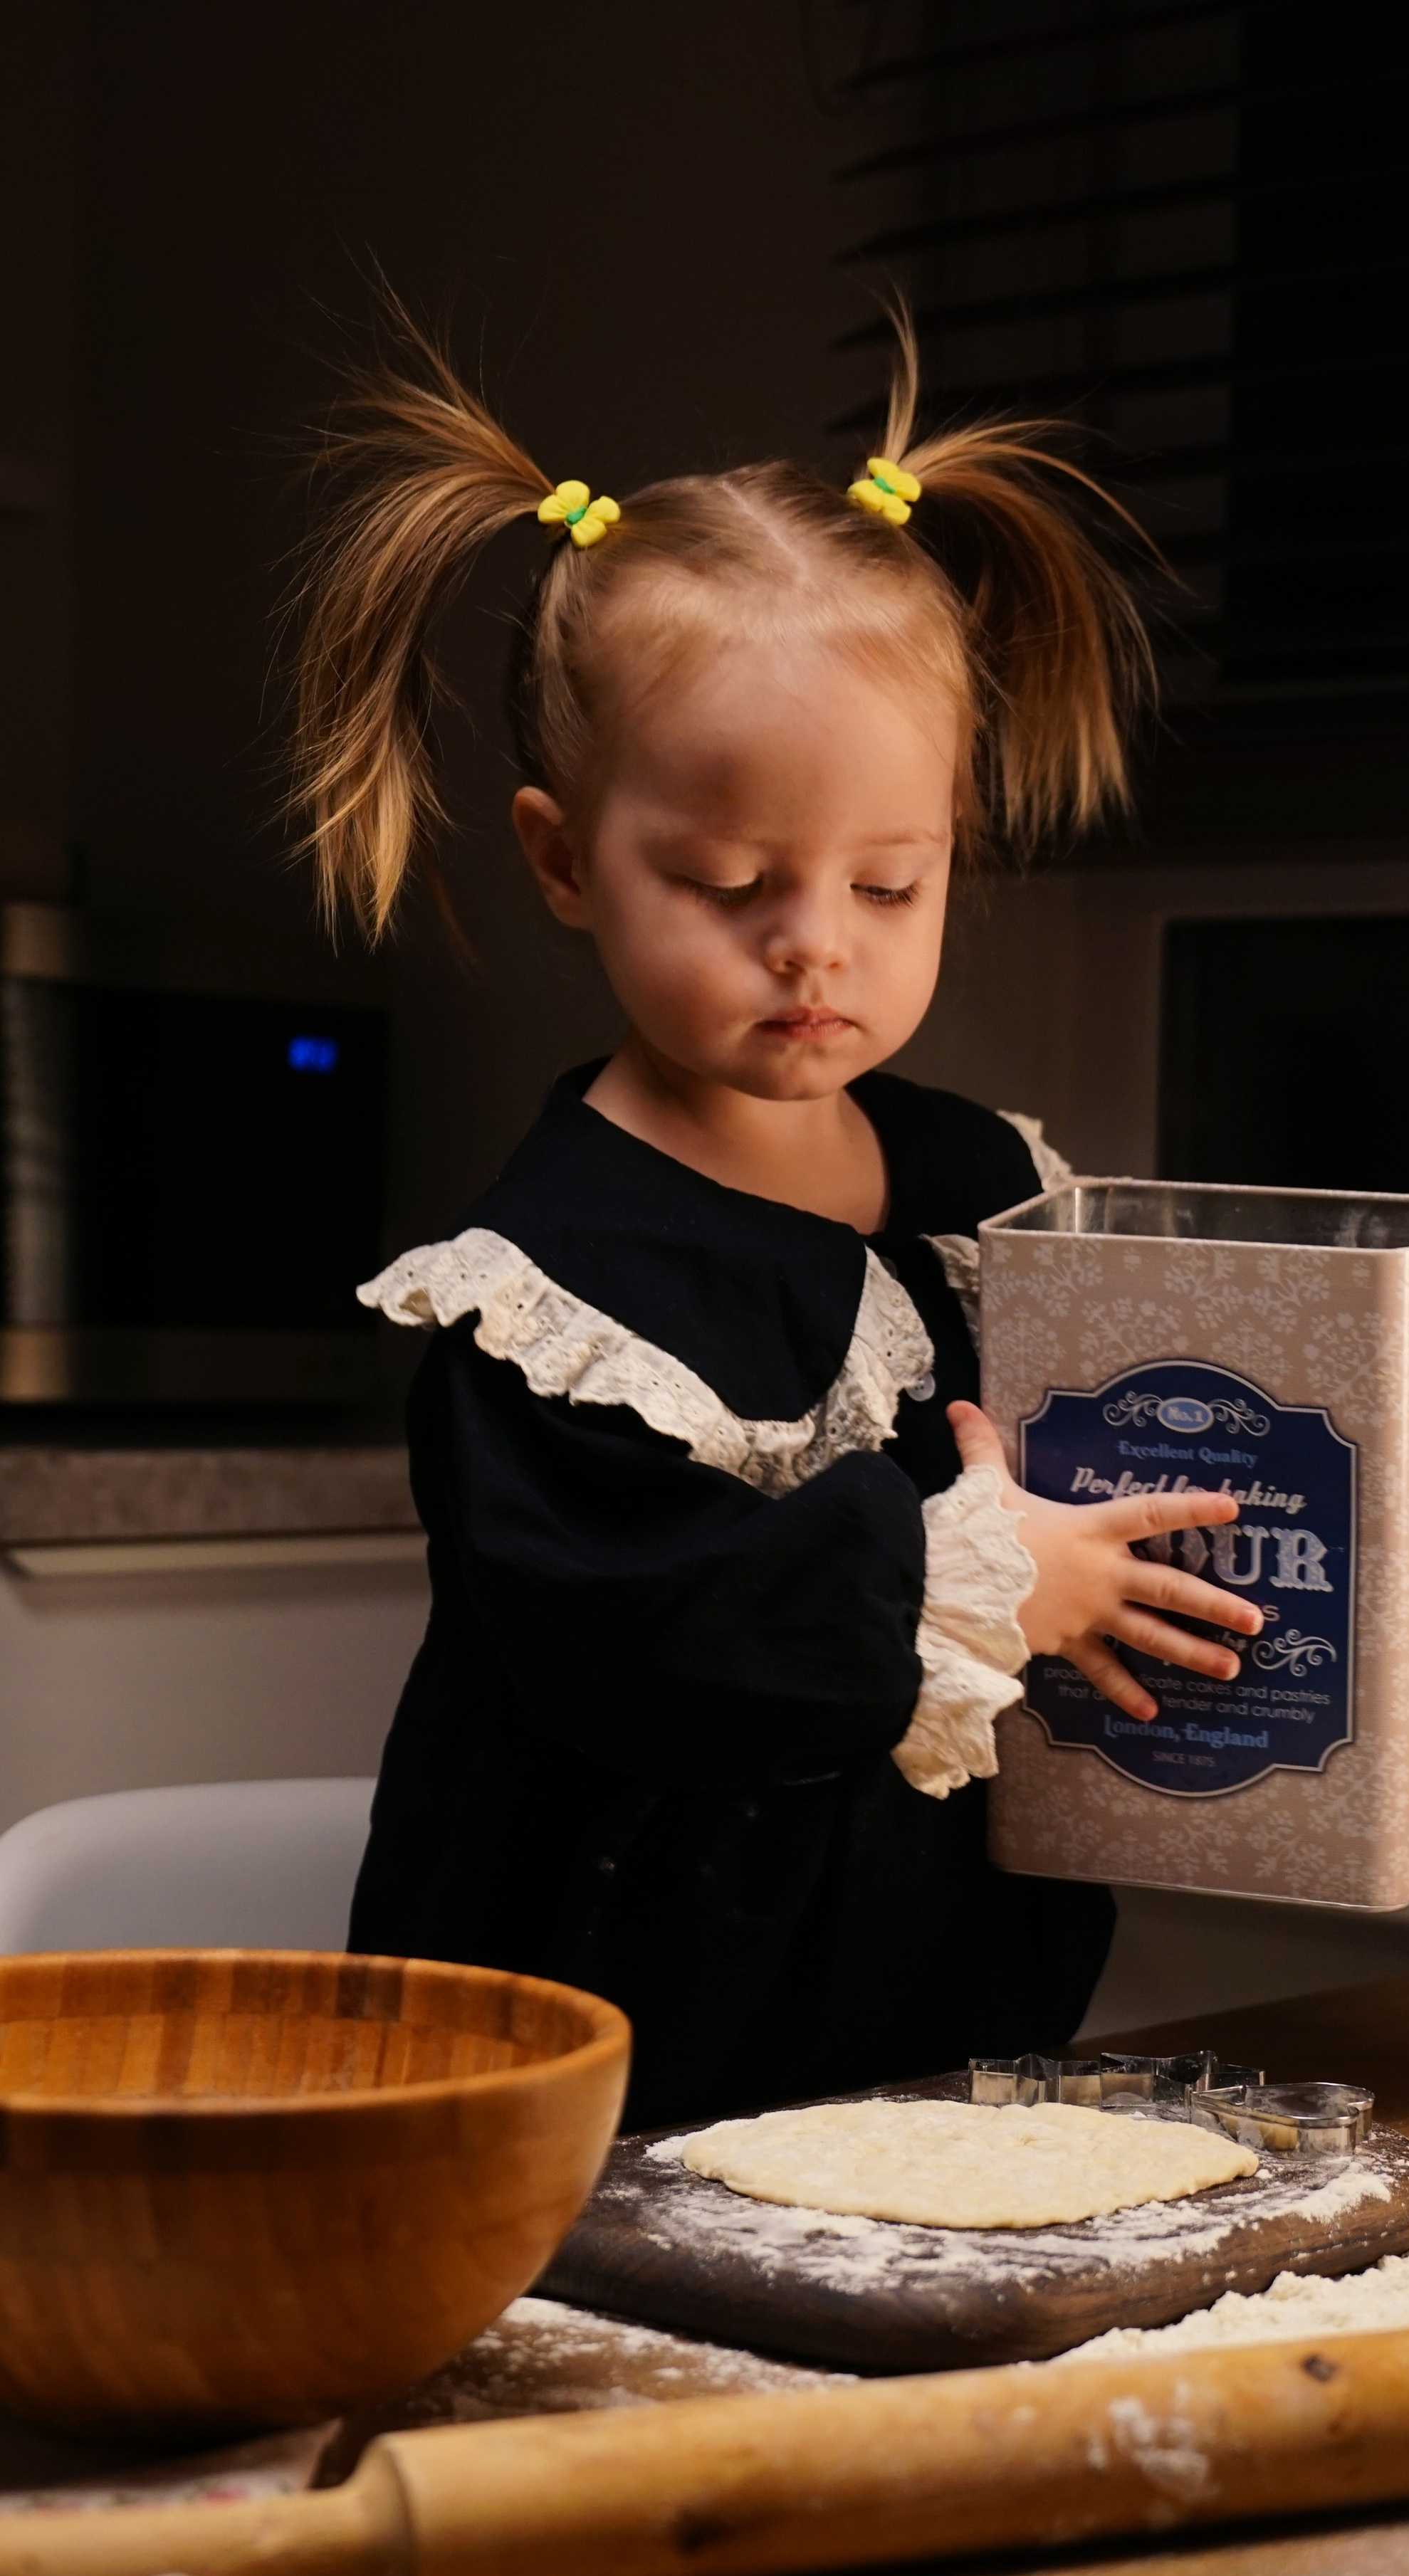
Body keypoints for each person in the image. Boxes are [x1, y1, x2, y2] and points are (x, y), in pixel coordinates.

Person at [289, 316, 1262, 2128]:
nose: (817, 940)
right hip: (625, 2060)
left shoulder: (993, 1184)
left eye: (889, 883)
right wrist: (976, 1580)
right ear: (566, 858)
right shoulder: (544, 1284)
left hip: (943, 2023)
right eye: (732, 883)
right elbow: (641, 1637)